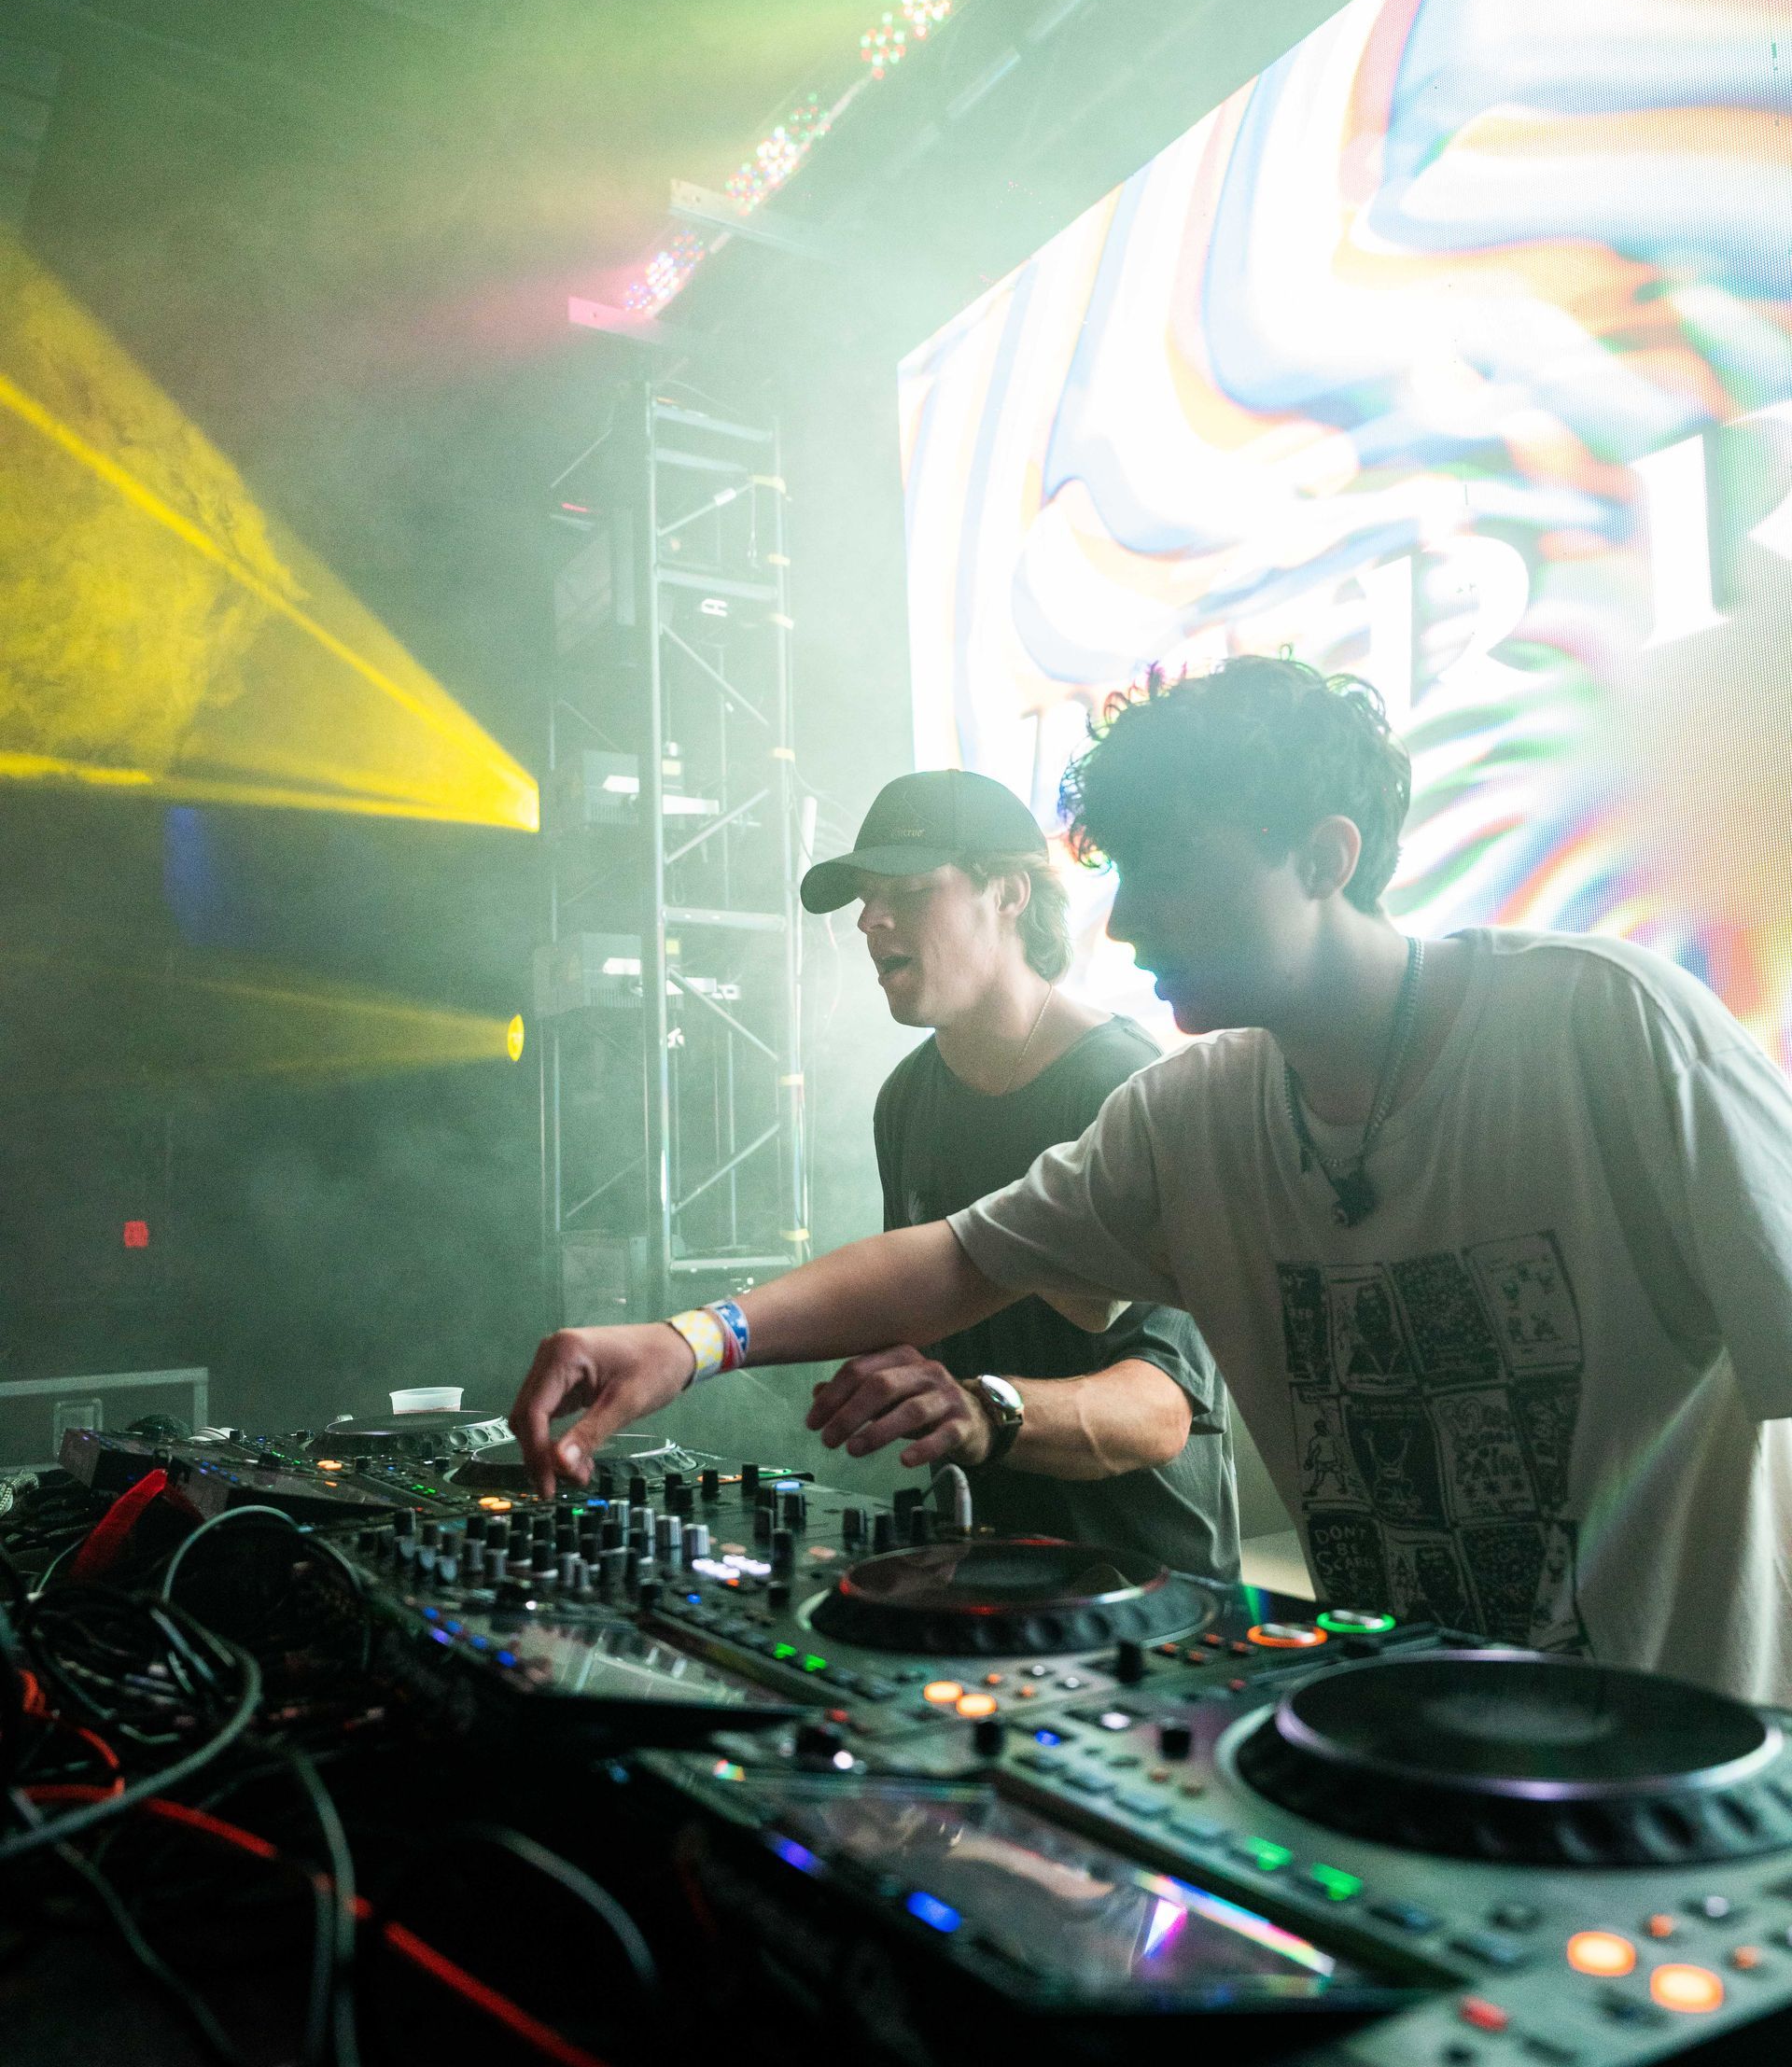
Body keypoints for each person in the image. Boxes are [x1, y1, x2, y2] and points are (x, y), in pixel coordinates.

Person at [511, 655, 1792, 1704]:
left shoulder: (1611, 1032)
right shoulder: (1198, 1110)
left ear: (1324, 855)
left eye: (1167, 867)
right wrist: (692, 1339)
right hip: (1391, 1746)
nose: (1123, 924)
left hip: (1668, 1782)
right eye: (1119, 873)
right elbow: (963, 1256)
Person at [795, 766, 1236, 1577]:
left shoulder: (1121, 1084)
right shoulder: (906, 1097)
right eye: (864, 894)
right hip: (980, 1568)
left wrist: (980, 1407)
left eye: (907, 889)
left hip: (1142, 1580)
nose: (870, 918)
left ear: (1007, 895)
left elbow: (1163, 1408)